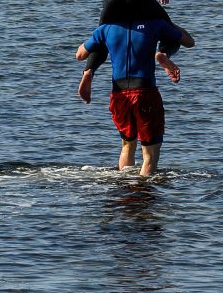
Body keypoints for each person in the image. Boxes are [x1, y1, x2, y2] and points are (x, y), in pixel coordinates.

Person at [76, 15, 195, 176]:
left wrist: (99, 38)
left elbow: (79, 55)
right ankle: (144, 195)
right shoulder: (155, 23)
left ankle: (126, 192)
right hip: (145, 91)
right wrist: (166, 19)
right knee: (150, 154)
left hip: (119, 94)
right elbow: (189, 41)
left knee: (127, 145)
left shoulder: (106, 28)